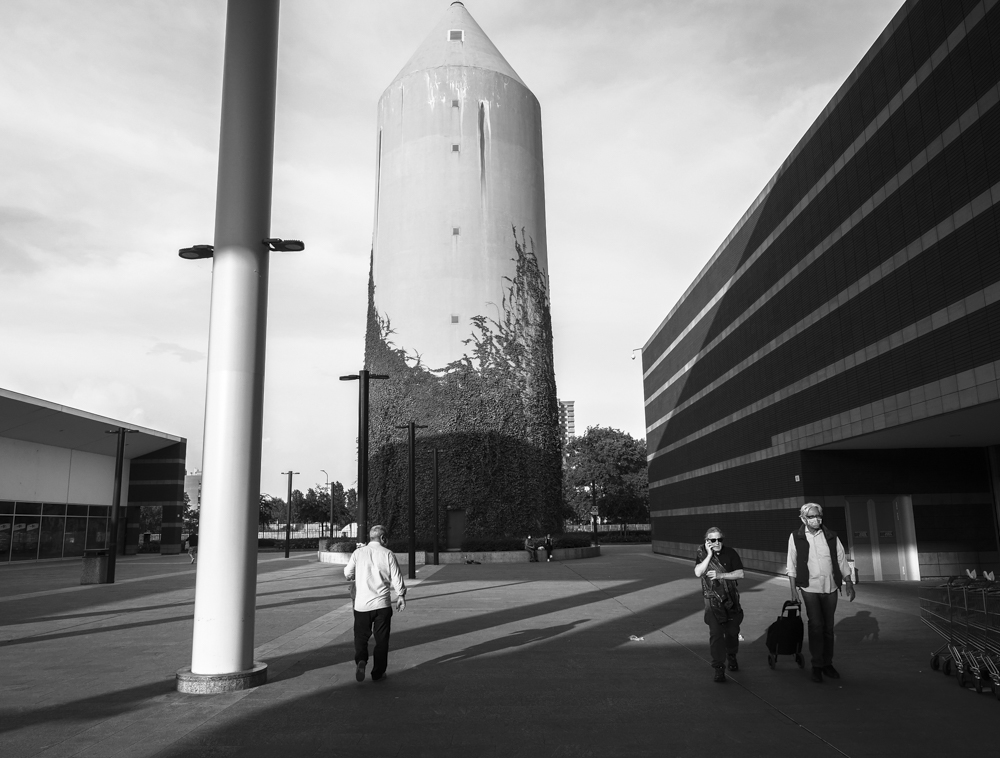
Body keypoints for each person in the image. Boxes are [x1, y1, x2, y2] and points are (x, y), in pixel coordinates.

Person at [786, 503, 855, 683]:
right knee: (816, 625)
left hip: (830, 587)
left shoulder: (831, 536)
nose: (816, 519)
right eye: (811, 517)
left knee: (828, 628)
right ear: (803, 519)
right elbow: (791, 564)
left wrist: (848, 581)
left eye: (818, 516)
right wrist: (793, 589)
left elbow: (841, 559)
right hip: (810, 588)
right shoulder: (796, 537)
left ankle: (827, 663)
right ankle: (817, 665)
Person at [345, 525, 406, 682]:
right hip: (382, 604)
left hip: (361, 605)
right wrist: (401, 596)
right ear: (383, 538)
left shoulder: (358, 553)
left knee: (361, 636)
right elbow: (397, 577)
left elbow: (347, 573)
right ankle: (378, 672)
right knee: (382, 640)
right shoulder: (388, 554)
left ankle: (361, 660)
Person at [694, 527, 744, 683]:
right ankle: (719, 667)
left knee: (732, 632)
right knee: (716, 634)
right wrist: (709, 555)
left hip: (730, 599)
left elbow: (740, 573)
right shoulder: (702, 554)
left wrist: (720, 575)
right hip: (712, 600)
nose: (717, 543)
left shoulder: (731, 553)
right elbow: (698, 572)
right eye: (713, 540)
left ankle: (732, 654)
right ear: (707, 541)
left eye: (719, 540)